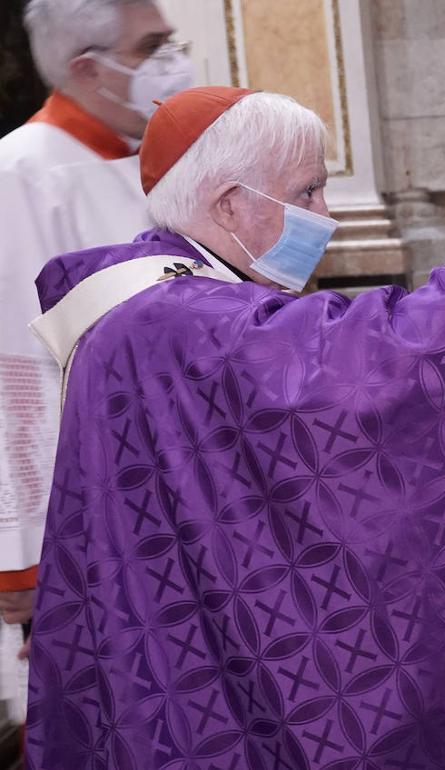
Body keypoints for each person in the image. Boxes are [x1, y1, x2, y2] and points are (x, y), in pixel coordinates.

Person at [25, 85, 445, 769]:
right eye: (310, 191)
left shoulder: (158, 303)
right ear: (229, 204)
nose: (327, 216)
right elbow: (376, 365)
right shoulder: (178, 318)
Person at [0, 0, 188, 689]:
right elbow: (14, 377)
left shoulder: (154, 158)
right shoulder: (21, 173)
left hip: (173, 481)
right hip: (88, 503)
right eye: (152, 47)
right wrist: (20, 555)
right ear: (87, 68)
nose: (172, 62)